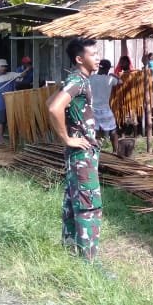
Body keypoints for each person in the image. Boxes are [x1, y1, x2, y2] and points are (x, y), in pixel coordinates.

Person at [45, 38, 103, 261]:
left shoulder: (76, 79)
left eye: (98, 53)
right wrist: (67, 138)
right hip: (81, 154)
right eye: (93, 54)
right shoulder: (78, 80)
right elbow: (53, 107)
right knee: (89, 205)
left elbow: (50, 100)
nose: (97, 58)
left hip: (79, 155)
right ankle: (90, 262)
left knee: (73, 202)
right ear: (80, 59)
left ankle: (70, 252)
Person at [90, 59, 121, 154]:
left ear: (99, 67)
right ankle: (115, 151)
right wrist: (113, 74)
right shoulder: (110, 79)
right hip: (105, 110)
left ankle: (96, 152)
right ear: (108, 69)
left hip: (93, 110)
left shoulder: (91, 78)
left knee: (96, 132)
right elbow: (121, 81)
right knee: (113, 131)